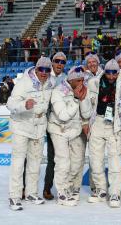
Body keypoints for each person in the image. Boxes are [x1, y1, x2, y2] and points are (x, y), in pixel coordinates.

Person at [6, 57, 55, 211]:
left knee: (35, 162)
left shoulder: (50, 83)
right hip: (21, 126)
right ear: (36, 68)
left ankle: (31, 193)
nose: (44, 73)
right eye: (41, 69)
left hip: (39, 128)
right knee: (19, 162)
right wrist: (23, 105)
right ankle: (14, 196)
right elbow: (10, 103)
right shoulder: (24, 82)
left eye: (47, 70)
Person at [48, 66, 91, 206]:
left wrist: (83, 99)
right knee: (63, 161)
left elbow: (86, 115)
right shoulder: (58, 91)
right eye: (78, 80)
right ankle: (62, 193)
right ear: (71, 80)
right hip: (59, 129)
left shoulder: (82, 89)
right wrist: (76, 99)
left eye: (83, 80)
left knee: (77, 162)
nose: (81, 83)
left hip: (75, 130)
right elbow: (63, 115)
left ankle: (69, 187)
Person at [86, 59, 121, 208]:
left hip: (114, 124)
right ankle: (101, 189)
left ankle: (115, 192)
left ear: (118, 72)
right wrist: (86, 122)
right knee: (96, 159)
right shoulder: (94, 82)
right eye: (108, 72)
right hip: (98, 122)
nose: (111, 76)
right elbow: (88, 103)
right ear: (105, 71)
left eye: (114, 73)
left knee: (115, 160)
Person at [43, 51, 68, 200]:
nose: (59, 64)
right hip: (45, 122)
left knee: (62, 158)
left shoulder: (67, 79)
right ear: (52, 62)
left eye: (62, 62)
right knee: (50, 158)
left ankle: (64, 187)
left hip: (63, 124)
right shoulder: (45, 75)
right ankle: (46, 188)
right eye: (57, 61)